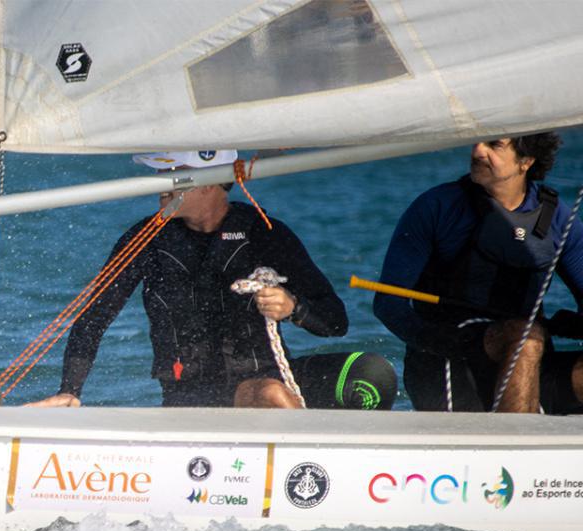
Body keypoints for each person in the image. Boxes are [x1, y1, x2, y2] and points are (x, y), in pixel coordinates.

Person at [29, 150, 396, 409]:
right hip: (190, 394)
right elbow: (94, 316)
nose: (161, 182)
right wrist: (70, 389)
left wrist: (292, 308)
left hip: (262, 378)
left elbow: (336, 322)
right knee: (269, 395)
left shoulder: (265, 233)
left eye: (171, 173)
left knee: (372, 377)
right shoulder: (146, 239)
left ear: (208, 184)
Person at [374, 132, 583, 413]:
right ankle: (515, 449)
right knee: (525, 336)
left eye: (494, 145)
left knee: (527, 339)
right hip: (448, 363)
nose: (477, 151)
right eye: (478, 141)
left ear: (526, 161)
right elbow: (388, 304)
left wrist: (570, 325)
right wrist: (441, 341)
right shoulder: (438, 207)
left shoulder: (558, 219)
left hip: (529, 364)